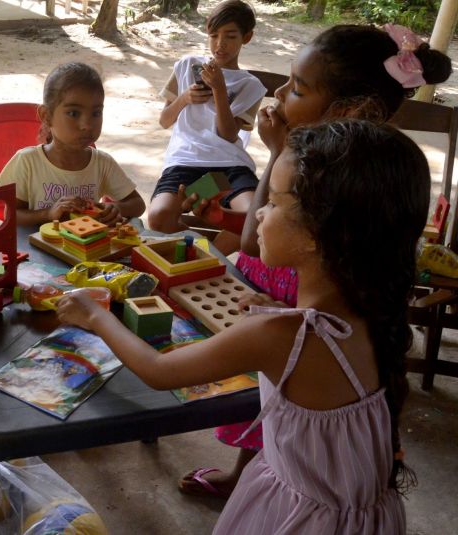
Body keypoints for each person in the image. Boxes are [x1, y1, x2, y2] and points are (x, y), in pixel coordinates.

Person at [58, 118, 429, 533]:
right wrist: (274, 306)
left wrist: (95, 316)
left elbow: (160, 372)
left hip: (299, 518)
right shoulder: (368, 311)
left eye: (271, 202)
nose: (260, 214)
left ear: (316, 234)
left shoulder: (283, 337)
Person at [178, 23, 453, 498]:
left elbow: (249, 242)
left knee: (283, 407)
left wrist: (276, 154)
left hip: (296, 309)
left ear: (345, 110)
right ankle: (254, 477)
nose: (280, 93)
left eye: (297, 87)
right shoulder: (378, 164)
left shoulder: (324, 176)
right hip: (284, 298)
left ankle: (277, 489)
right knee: (271, 407)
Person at [146, 0, 266, 254]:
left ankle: (209, 256)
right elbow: (165, 120)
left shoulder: (250, 85)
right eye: (214, 36)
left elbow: (228, 134)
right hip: (187, 162)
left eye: (230, 36)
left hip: (229, 166)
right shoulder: (187, 66)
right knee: (158, 217)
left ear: (247, 37)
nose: (220, 44)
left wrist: (220, 90)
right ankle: (204, 252)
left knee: (254, 221)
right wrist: (183, 99)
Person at [0, 62, 145, 227]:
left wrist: (113, 208)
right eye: (73, 113)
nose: (87, 125)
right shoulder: (27, 162)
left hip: (86, 250)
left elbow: (138, 204)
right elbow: (10, 215)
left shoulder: (102, 163)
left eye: (96, 113)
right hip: (36, 251)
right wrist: (49, 213)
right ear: (46, 116)